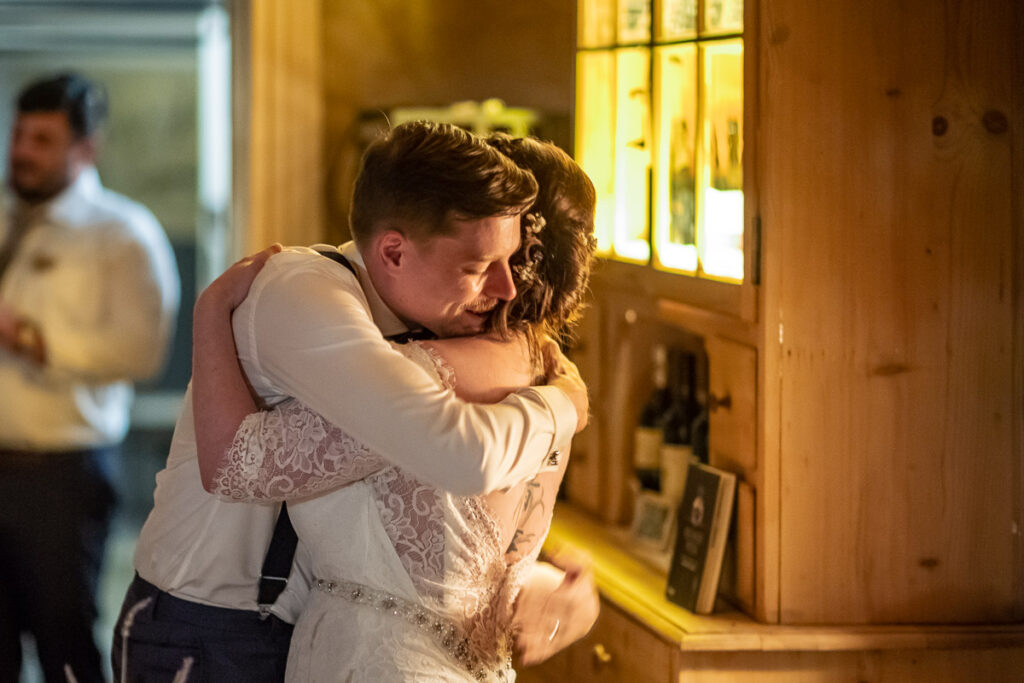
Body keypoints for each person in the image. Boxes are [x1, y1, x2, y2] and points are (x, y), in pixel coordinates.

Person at [114, 122, 595, 682]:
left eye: (504, 261)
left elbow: (445, 551)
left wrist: (538, 583)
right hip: (203, 617)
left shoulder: (465, 353)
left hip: (314, 637)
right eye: (476, 264)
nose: (500, 286)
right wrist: (565, 405)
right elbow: (236, 465)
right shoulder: (314, 296)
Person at [0, 72, 180, 683]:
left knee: (65, 641)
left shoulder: (123, 233)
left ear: (86, 148)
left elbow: (141, 352)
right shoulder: (0, 220)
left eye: (43, 139)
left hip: (62, 475)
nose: (22, 150)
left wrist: (30, 340)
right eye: (20, 134)